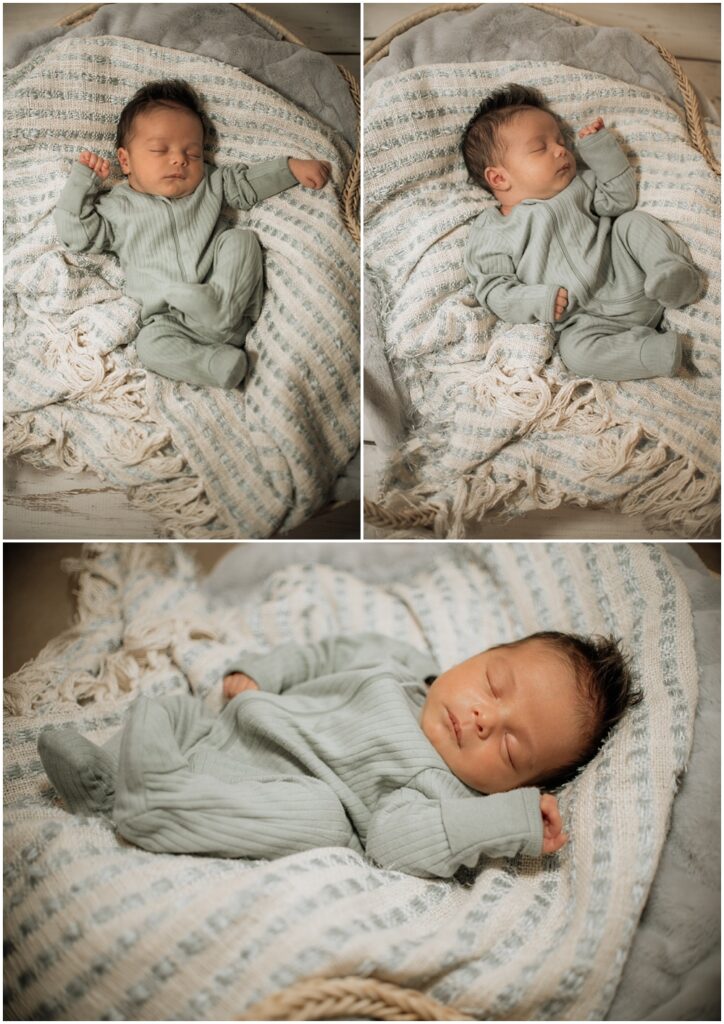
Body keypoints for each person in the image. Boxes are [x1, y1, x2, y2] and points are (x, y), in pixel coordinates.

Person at [37, 631, 641, 879]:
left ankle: (159, 807)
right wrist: (260, 673)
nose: (485, 717)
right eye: (494, 683)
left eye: (511, 747)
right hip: (228, 727)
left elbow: (392, 843)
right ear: (482, 652)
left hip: (261, 795)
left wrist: (507, 820)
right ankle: (106, 786)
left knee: (325, 818)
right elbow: (323, 654)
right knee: (172, 707)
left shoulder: (440, 793)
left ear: (510, 785)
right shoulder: (397, 661)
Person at [53, 79, 330, 389]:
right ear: (126, 161)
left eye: (194, 154)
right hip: (171, 319)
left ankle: (221, 306)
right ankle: (217, 365)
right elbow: (76, 235)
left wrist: (290, 169)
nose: (179, 159)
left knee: (240, 240)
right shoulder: (118, 207)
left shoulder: (209, 184)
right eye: (160, 149)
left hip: (231, 299)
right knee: (149, 346)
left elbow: (246, 183)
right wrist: (82, 181)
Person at [462, 84, 701, 381]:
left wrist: (599, 150)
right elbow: (494, 289)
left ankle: (672, 273)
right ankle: (652, 353)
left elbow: (620, 198)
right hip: (587, 319)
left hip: (630, 275)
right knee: (576, 353)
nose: (562, 149)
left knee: (631, 222)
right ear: (499, 177)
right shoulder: (492, 230)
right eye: (541, 147)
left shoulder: (580, 185)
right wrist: (537, 300)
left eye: (560, 141)